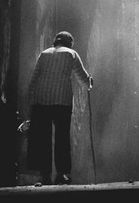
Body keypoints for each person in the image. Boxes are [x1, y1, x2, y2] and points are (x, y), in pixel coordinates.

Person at [26, 31, 93, 185]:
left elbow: (34, 79)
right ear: (70, 43)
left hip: (42, 101)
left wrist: (31, 100)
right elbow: (82, 77)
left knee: (43, 139)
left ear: (55, 41)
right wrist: (90, 83)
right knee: (62, 138)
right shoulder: (71, 54)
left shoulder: (44, 54)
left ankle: (45, 174)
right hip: (62, 101)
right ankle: (61, 174)